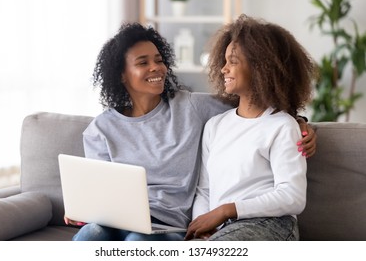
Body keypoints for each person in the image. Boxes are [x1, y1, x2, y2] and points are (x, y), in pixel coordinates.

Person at [65, 22, 316, 241]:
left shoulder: (191, 107)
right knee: (92, 234)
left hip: (167, 225)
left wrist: (298, 121)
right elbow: (98, 193)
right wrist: (84, 210)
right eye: (143, 62)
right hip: (117, 220)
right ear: (121, 75)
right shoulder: (101, 130)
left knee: (137, 242)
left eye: (159, 60)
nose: (156, 68)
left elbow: (255, 100)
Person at [185, 14, 316, 241]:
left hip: (270, 224)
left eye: (233, 61)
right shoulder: (215, 126)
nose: (224, 69)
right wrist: (203, 225)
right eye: (224, 61)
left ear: (261, 68)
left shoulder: (283, 126)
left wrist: (226, 210)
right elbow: (204, 190)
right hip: (223, 227)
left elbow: (293, 196)